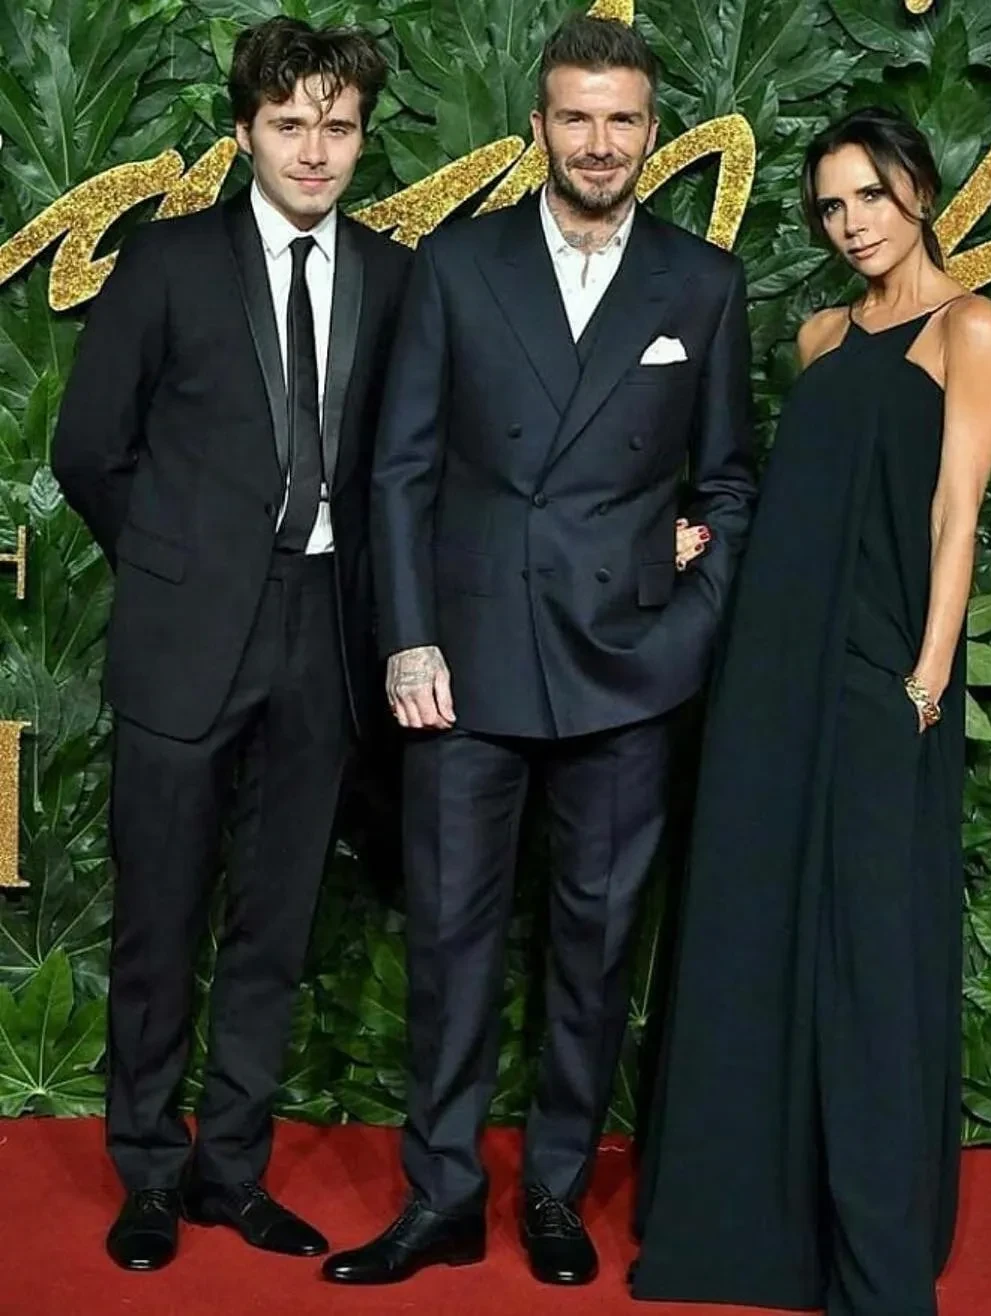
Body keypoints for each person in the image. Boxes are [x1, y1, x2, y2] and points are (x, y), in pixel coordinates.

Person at [321, 14, 756, 1290]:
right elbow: (399, 469)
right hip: (466, 666)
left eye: (622, 118)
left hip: (627, 671)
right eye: (577, 116)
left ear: (654, 131)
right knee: (450, 947)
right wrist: (409, 639)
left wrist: (687, 630)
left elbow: (728, 485)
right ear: (539, 126)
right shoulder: (459, 264)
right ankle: (443, 1196)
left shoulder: (703, 283)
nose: (600, 141)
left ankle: (556, 1189)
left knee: (594, 948)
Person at [631, 107, 991, 1315]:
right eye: (832, 206)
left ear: (920, 191)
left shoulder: (970, 328)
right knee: (758, 921)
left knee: (868, 949)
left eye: (871, 197)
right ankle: (757, 1225)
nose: (852, 224)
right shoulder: (817, 336)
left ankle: (869, 1239)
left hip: (880, 674)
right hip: (772, 670)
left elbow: (956, 514)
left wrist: (927, 678)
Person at [51, 17, 411, 1273]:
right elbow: (88, 448)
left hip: (325, 631)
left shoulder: (393, 276)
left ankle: (234, 1171)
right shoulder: (164, 262)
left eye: (337, 127)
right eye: (290, 124)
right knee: (158, 919)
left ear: (360, 138)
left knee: (275, 921)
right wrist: (176, 563)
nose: (315, 150)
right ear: (246, 130)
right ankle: (149, 1171)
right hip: (185, 634)